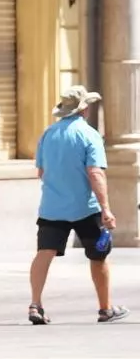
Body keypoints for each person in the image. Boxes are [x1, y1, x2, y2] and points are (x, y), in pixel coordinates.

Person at [29, 85, 129, 325]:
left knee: (44, 253)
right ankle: (105, 309)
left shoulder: (48, 134)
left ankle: (36, 304)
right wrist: (106, 208)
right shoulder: (89, 135)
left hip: (52, 208)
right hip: (86, 207)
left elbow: (41, 172)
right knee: (98, 256)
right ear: (84, 110)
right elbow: (95, 173)